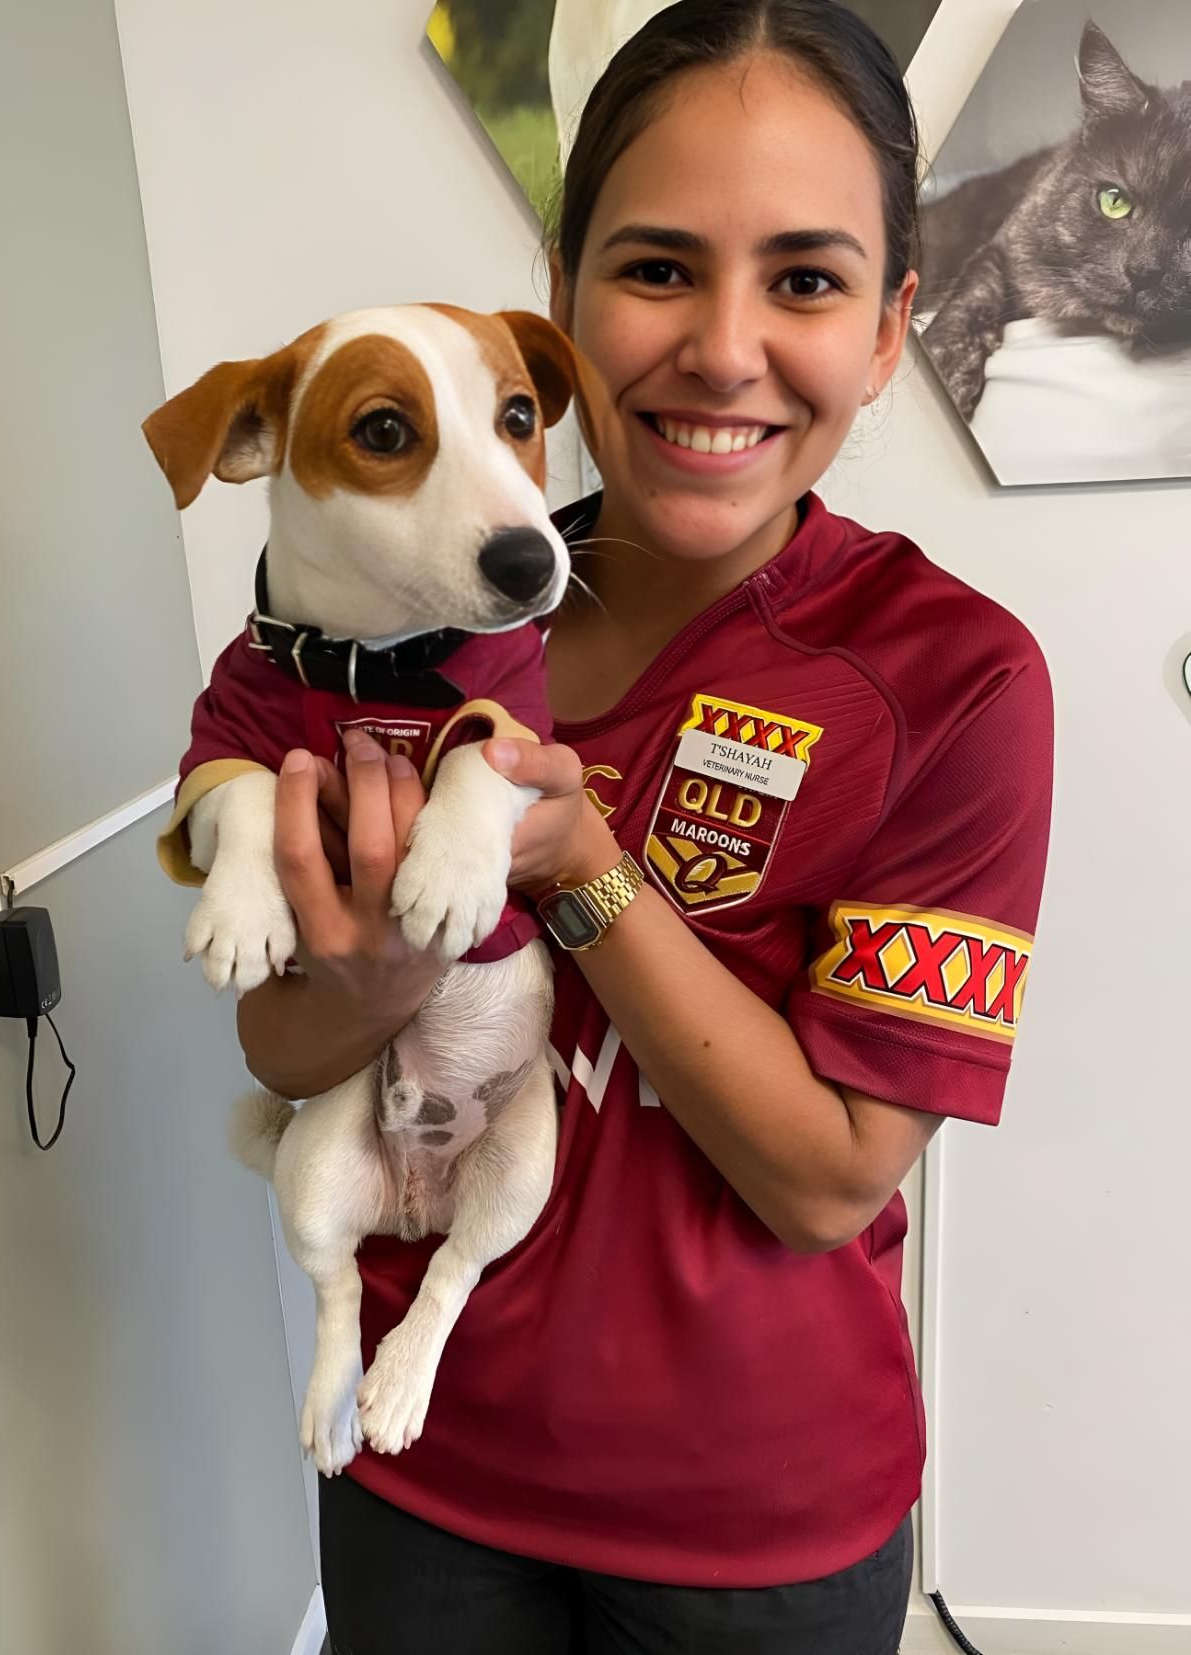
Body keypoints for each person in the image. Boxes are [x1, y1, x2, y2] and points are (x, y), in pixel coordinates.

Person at [237, 2, 1054, 1649]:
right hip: (416, 1450)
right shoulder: (399, 621)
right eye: (659, 268)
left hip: (753, 1525)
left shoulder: (950, 680)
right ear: (559, 298)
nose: (724, 350)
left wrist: (582, 868)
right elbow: (279, 1042)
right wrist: (385, 977)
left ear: (888, 328)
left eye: (805, 281)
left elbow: (827, 1184)